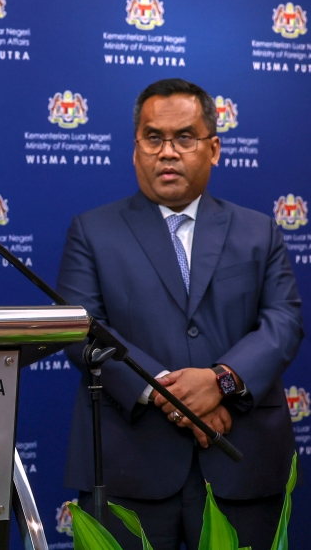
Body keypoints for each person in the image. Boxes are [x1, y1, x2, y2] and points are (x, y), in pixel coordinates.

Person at [57, 78, 302, 550]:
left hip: (242, 461)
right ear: (135, 150)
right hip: (129, 467)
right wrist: (167, 391)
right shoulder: (92, 231)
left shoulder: (260, 231)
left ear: (213, 149)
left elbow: (283, 322)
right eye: (153, 138)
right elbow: (81, 331)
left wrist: (221, 380)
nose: (167, 152)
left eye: (184, 137)